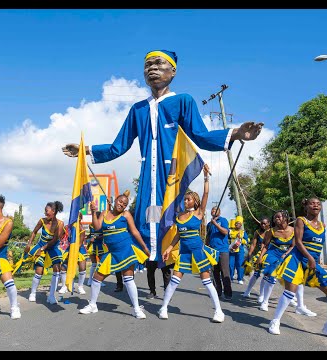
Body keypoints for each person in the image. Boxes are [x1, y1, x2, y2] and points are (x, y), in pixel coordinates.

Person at [62, 49, 263, 300]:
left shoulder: (183, 101)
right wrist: (86, 149)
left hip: (172, 179)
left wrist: (235, 134)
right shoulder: (138, 109)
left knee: (172, 223)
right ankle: (129, 275)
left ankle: (187, 270)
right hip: (148, 179)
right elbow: (118, 146)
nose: (152, 68)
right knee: (145, 222)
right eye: (147, 65)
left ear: (173, 71)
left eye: (158, 63)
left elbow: (200, 136)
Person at [268, 197, 327, 341]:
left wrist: (315, 261)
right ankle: (275, 321)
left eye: (318, 204)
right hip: (297, 259)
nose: (316, 205)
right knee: (290, 292)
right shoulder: (301, 220)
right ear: (307, 207)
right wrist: (310, 258)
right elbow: (297, 242)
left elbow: (318, 247)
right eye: (312, 203)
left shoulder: (323, 225)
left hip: (312, 262)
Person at [158, 164, 225, 323]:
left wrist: (206, 177)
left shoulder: (199, 213)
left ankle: (219, 311)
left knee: (206, 280)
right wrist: (168, 248)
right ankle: (164, 307)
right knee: (175, 280)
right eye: (185, 199)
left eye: (188, 199)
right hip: (184, 253)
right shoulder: (179, 216)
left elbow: (206, 193)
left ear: (194, 201)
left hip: (198, 252)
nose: (186, 201)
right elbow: (178, 236)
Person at [78, 190, 150, 319]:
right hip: (111, 253)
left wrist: (145, 248)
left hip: (126, 251)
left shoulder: (126, 215)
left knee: (128, 280)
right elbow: (97, 226)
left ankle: (136, 309)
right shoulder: (105, 213)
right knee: (96, 278)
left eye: (124, 204)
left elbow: (134, 232)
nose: (121, 205)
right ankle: (93, 305)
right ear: (115, 200)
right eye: (120, 201)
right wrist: (94, 212)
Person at [19, 201, 65, 304]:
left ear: (53, 211)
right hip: (40, 246)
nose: (45, 213)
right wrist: (29, 244)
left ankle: (52, 296)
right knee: (39, 270)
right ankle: (33, 293)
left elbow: (54, 240)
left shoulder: (60, 224)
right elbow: (34, 232)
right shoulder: (42, 221)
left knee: (57, 270)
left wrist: (43, 248)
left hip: (52, 248)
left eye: (46, 211)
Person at [206, 206, 232, 300]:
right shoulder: (209, 224)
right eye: (212, 210)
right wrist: (206, 248)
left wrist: (216, 224)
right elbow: (208, 238)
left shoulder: (223, 220)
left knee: (225, 272)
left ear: (219, 212)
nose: (213, 211)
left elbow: (225, 232)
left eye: (215, 209)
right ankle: (217, 292)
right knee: (215, 273)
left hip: (223, 250)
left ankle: (228, 293)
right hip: (213, 251)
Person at [60, 213, 88, 296]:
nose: (76, 220)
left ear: (80, 219)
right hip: (69, 248)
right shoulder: (67, 228)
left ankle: (80, 286)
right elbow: (60, 236)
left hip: (79, 249)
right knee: (63, 267)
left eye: (78, 218)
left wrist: (74, 253)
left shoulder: (82, 229)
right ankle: (64, 286)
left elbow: (80, 243)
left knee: (82, 268)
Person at [242, 217, 270, 299]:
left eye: (265, 223)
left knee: (266, 275)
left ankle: (262, 295)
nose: (263, 225)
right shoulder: (257, 232)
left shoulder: (272, 231)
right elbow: (253, 245)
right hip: (260, 254)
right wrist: (249, 254)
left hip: (269, 255)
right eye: (262, 223)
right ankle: (248, 290)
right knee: (256, 274)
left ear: (269, 224)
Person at [86, 212, 108, 287]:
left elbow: (103, 235)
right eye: (93, 216)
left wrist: (95, 237)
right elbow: (91, 234)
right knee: (94, 264)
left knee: (101, 263)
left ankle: (99, 280)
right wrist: (87, 238)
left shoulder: (102, 225)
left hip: (100, 245)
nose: (93, 218)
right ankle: (89, 280)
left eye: (95, 217)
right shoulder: (90, 225)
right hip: (92, 246)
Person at [228, 216, 248, 285]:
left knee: (240, 264)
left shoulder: (243, 232)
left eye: (238, 223)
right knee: (230, 264)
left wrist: (241, 239)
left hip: (240, 250)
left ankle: (239, 278)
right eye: (236, 223)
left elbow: (247, 241)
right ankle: (230, 277)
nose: (237, 224)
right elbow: (227, 239)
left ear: (241, 224)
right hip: (232, 250)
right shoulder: (230, 231)